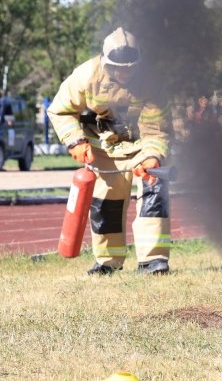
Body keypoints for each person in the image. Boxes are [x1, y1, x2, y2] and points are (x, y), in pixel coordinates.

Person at [48, 27, 172, 275]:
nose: (124, 72)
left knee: (154, 198)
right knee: (106, 206)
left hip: (142, 147)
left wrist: (152, 156)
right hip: (103, 149)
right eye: (117, 67)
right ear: (105, 61)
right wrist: (75, 141)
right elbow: (60, 110)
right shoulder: (85, 75)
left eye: (130, 67)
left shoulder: (153, 80)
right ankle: (108, 262)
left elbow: (156, 126)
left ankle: (153, 261)